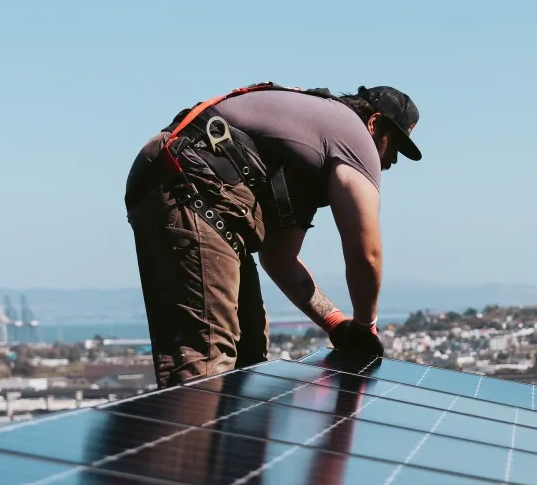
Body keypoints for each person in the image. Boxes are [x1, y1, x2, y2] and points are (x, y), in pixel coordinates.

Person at [123, 83, 422, 386]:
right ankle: (192, 430)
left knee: (248, 349)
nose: (393, 160)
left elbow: (280, 259)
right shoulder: (355, 138)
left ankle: (218, 431)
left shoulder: (309, 145)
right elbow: (366, 254)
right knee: (206, 362)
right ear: (374, 123)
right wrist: (365, 326)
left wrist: (335, 323)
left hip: (185, 186)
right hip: (190, 185)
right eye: (394, 144)